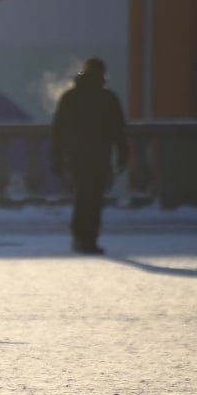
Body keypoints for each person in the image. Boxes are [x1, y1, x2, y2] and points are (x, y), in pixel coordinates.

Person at [49, 57, 129, 255]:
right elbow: (118, 131)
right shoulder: (108, 98)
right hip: (100, 155)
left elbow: (58, 131)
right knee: (93, 197)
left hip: (77, 155)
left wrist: (57, 157)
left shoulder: (70, 97)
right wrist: (122, 155)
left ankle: (79, 236)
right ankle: (89, 238)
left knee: (82, 195)